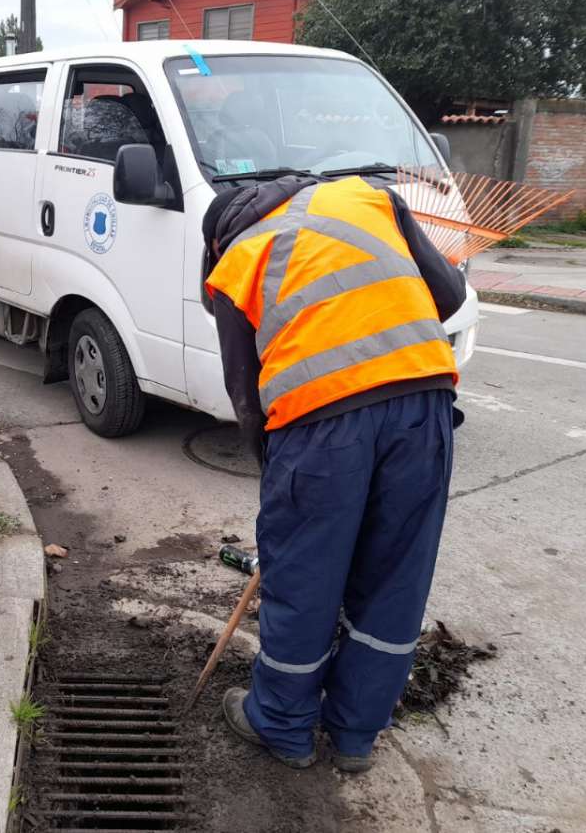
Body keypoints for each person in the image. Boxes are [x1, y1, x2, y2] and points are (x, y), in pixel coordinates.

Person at [203, 173, 466, 773]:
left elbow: (247, 399)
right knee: (395, 577)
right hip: (423, 407)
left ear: (215, 240)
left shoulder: (237, 263)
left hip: (321, 426)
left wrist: (281, 489)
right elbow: (446, 296)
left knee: (304, 579)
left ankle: (283, 726)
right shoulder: (366, 197)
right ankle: (355, 736)